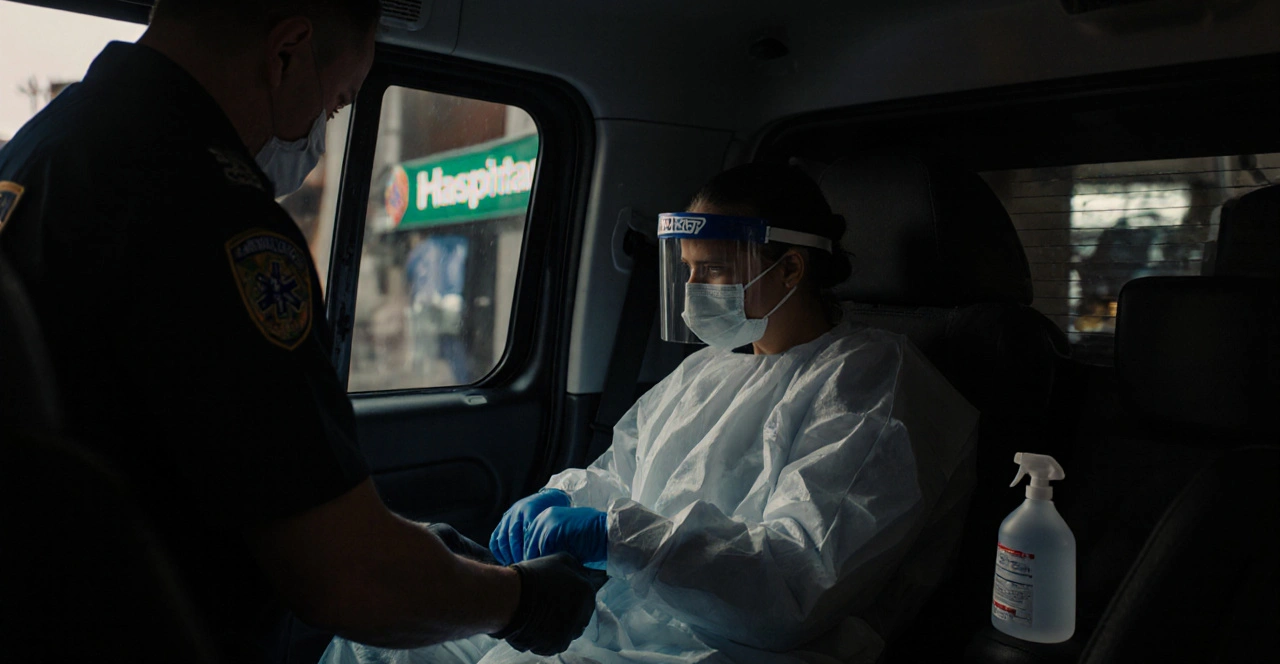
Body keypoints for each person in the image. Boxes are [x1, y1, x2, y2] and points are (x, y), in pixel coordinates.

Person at [0, 0, 598, 661]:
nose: (323, 130)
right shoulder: (212, 217)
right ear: (288, 51)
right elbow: (348, 581)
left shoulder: (46, 147)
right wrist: (525, 601)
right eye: (339, 101)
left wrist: (412, 550)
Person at [323, 163, 979, 664]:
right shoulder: (710, 369)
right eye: (687, 273)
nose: (694, 293)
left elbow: (795, 588)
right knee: (385, 633)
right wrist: (557, 505)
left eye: (714, 272)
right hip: (621, 621)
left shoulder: (871, 380)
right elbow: (619, 473)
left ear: (789, 270)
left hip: (721, 651)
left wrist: (614, 535)